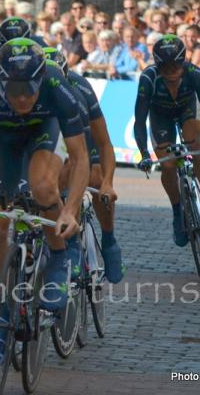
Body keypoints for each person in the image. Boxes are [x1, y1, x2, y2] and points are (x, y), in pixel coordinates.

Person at [0, 38, 89, 364]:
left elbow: (80, 156)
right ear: (1, 81)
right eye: (15, 92)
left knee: (42, 186)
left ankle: (59, 257)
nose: (24, 98)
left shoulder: (57, 83)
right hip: (2, 140)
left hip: (44, 132)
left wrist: (70, 209)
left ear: (41, 79)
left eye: (30, 90)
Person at [43, 47, 123, 283]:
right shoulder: (28, 92)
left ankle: (108, 239)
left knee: (94, 178)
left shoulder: (80, 91)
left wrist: (108, 183)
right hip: (47, 133)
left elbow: (105, 144)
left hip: (80, 135)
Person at [135, 34, 200, 247]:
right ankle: (177, 211)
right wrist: (144, 153)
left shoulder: (193, 73)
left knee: (195, 142)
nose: (172, 73)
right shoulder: (148, 79)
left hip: (186, 110)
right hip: (160, 117)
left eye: (176, 67)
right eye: (166, 68)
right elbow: (140, 120)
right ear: (157, 65)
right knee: (169, 164)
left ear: (183, 63)